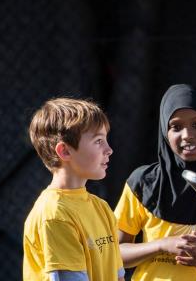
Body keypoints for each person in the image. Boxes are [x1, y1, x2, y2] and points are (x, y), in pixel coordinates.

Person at [113, 84, 196, 280]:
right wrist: (162, 245)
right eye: (176, 127)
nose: (187, 135)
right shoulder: (144, 183)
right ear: (165, 132)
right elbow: (114, 254)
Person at [23, 98, 125, 280]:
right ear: (65, 151)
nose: (109, 149)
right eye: (98, 141)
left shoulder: (101, 207)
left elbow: (118, 276)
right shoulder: (55, 215)